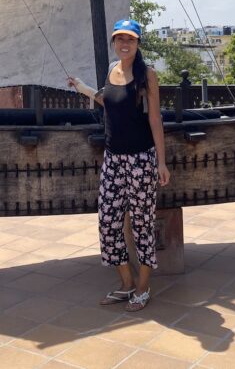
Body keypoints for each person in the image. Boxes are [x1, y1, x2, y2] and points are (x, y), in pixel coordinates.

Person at [67, 19, 170, 312]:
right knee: (108, 223)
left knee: (142, 225)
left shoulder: (146, 75)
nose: (125, 44)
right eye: (120, 39)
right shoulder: (112, 69)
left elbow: (154, 119)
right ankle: (126, 284)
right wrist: (83, 88)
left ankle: (143, 287)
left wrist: (161, 162)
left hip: (140, 159)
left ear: (138, 44)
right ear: (114, 42)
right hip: (113, 160)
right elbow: (107, 101)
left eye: (131, 40)